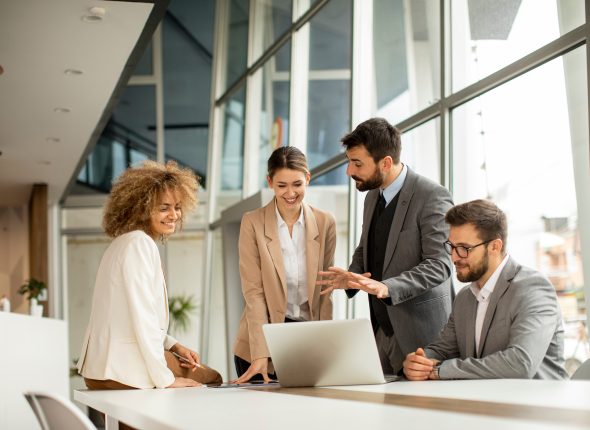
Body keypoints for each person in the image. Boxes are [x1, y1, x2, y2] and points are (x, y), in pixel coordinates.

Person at [319, 117, 453, 375]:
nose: (349, 171)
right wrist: (352, 276)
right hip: (382, 331)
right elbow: (366, 245)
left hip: (422, 335)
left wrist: (387, 287)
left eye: (357, 163)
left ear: (386, 162)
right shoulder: (372, 196)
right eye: (349, 162)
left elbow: (440, 264)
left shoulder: (431, 196)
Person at [77, 160, 222, 394]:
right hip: (122, 370)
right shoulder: (139, 244)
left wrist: (174, 345)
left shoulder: (122, 243)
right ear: (141, 208)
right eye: (164, 208)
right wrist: (165, 379)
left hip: (99, 371)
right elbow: (143, 317)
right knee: (213, 378)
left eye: (177, 207)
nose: (173, 215)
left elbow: (129, 315)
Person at [403, 199, 568, 380]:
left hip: (537, 404)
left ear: (494, 247)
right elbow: (441, 349)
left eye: (464, 248)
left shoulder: (533, 289)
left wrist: (439, 370)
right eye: (451, 246)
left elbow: (520, 364)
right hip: (485, 402)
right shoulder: (465, 297)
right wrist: (419, 362)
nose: (454, 257)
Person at [232, 146, 337, 383]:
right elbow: (254, 293)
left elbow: (325, 290)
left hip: (306, 340)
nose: (290, 193)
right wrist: (261, 353)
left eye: (297, 184)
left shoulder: (325, 222)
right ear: (270, 182)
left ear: (308, 178)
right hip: (261, 342)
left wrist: (327, 348)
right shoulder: (253, 223)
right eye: (282, 185)